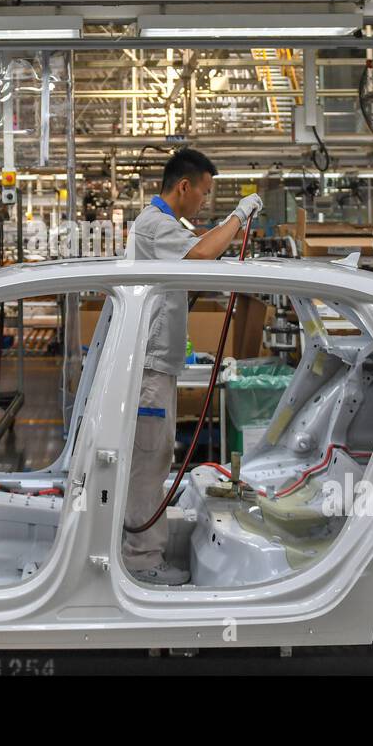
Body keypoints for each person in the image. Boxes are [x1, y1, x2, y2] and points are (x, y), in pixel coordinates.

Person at [121, 149, 263, 585]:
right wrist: (240, 215)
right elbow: (201, 258)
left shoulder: (163, 227)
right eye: (204, 192)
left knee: (154, 457)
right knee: (149, 462)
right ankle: (142, 563)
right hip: (149, 372)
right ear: (183, 186)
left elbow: (190, 269)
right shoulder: (155, 225)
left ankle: (140, 549)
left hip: (156, 366)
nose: (204, 201)